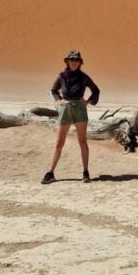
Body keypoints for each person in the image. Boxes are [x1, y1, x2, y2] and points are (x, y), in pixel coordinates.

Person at [42, 49, 100, 184]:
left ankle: (86, 173)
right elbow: (53, 90)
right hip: (66, 109)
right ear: (67, 61)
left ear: (80, 63)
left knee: (82, 142)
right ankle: (50, 173)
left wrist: (88, 101)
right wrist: (58, 100)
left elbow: (96, 90)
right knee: (59, 143)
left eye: (76, 60)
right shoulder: (61, 76)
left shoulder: (84, 77)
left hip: (79, 109)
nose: (74, 63)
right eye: (71, 60)